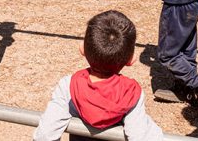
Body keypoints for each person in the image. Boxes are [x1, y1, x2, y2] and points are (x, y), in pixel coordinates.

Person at [33, 10, 163, 141]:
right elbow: (140, 135)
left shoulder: (70, 86)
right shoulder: (130, 93)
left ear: (82, 49)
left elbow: (45, 135)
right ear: (131, 60)